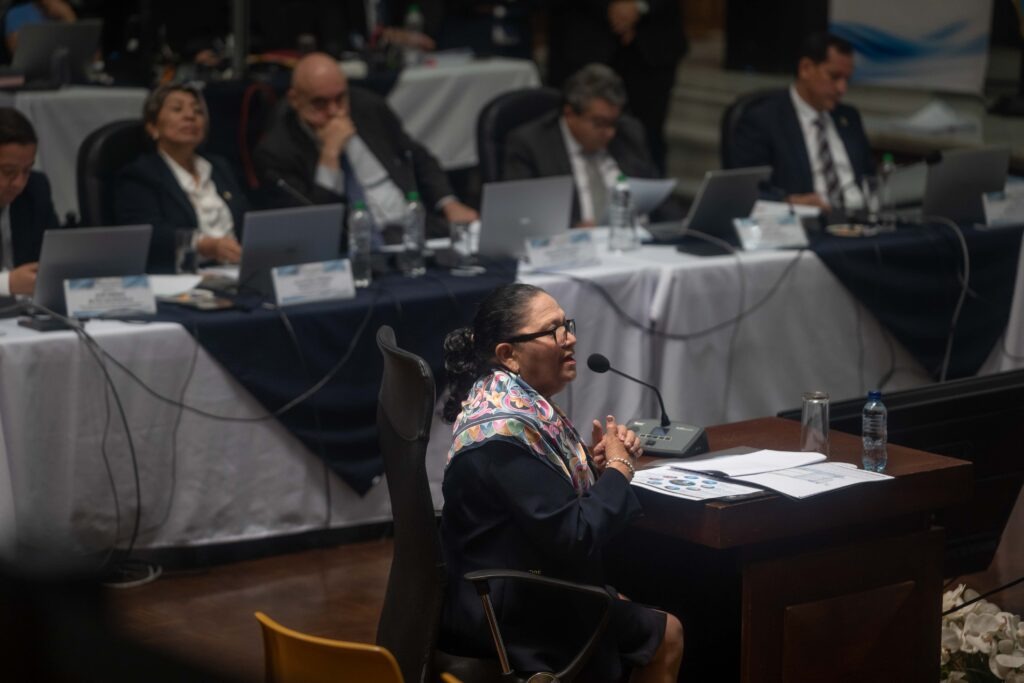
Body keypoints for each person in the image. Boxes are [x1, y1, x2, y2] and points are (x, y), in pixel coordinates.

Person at [439, 283, 684, 682]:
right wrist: (620, 469)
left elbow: (541, 500)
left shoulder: (508, 399)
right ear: (508, 355)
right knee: (667, 634)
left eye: (566, 324)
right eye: (552, 330)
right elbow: (577, 533)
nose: (570, 338)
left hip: (514, 582)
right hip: (509, 609)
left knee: (626, 604)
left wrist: (594, 466)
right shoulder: (505, 433)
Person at [254, 52, 477, 239]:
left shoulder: (368, 108)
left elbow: (416, 156)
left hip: (415, 230)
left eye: (340, 99)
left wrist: (449, 203)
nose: (334, 112)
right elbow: (314, 230)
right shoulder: (277, 152)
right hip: (354, 244)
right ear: (295, 100)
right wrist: (329, 156)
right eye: (320, 103)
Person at [504, 63, 680, 227]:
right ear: (570, 113)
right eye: (599, 123)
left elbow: (661, 200)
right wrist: (571, 229)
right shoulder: (531, 144)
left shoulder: (629, 133)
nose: (610, 132)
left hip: (635, 243)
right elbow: (523, 217)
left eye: (613, 123)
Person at [729, 33, 874, 213]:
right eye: (834, 77)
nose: (841, 89)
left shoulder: (848, 117)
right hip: (809, 225)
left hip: (860, 220)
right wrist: (788, 202)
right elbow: (746, 192)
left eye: (847, 80)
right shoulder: (763, 119)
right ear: (806, 68)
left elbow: (870, 178)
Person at [114, 83, 247, 273]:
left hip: (235, 271)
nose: (190, 116)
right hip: (180, 277)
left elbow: (245, 219)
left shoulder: (219, 167)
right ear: (153, 127)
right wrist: (201, 244)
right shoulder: (140, 175)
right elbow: (147, 235)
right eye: (177, 109)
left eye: (198, 111)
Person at [546, 0, 687, 174]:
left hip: (652, 47)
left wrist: (638, 6)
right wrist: (612, 8)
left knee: (649, 140)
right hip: (586, 36)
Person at [0, 107, 59, 297]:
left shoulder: (36, 189)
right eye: (8, 172)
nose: (19, 182)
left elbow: (55, 258)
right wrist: (7, 283)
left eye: (26, 170)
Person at [3, 0, 76, 57]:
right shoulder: (16, 14)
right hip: (31, 72)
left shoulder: (65, 9)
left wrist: (68, 17)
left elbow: (79, 49)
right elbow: (18, 54)